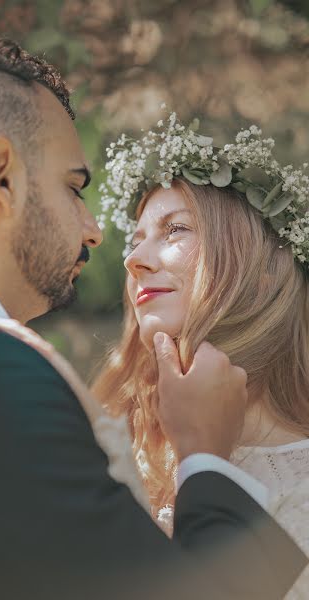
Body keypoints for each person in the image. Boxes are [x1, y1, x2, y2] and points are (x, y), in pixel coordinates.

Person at [0, 31, 305, 600]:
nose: (100, 234)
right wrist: (207, 461)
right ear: (1, 175)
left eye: (174, 230)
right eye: (73, 188)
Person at [94, 113, 309, 597]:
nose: (134, 259)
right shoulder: (111, 457)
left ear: (266, 270)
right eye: (136, 239)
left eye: (175, 230)